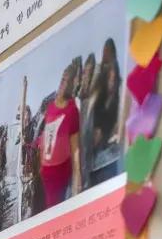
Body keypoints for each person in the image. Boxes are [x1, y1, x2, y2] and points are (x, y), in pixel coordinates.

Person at [39, 66, 82, 208]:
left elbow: (75, 147)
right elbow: (46, 136)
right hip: (46, 172)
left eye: (68, 82)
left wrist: (77, 177)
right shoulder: (51, 107)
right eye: (63, 80)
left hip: (61, 171)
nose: (64, 84)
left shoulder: (72, 110)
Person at [89, 40, 123, 185]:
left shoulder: (118, 95)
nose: (111, 80)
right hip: (95, 158)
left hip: (111, 156)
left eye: (113, 78)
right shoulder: (98, 93)